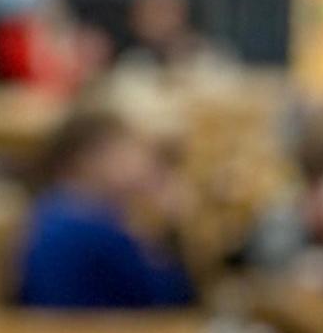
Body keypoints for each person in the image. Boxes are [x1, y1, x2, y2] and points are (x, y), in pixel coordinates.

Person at [14, 109, 199, 310]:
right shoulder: (87, 227)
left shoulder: (56, 209)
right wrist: (169, 231)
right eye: (125, 152)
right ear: (88, 159)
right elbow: (170, 299)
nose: (139, 165)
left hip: (84, 332)